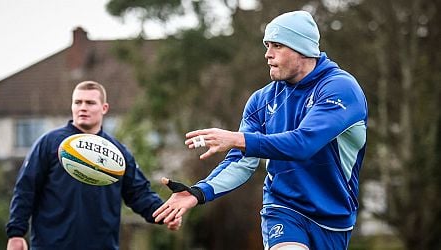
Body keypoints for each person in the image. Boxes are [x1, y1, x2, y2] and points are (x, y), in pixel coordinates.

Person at [153, 10, 368, 250]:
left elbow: (303, 143)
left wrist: (238, 139)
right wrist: (197, 192)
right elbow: (241, 163)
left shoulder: (339, 89)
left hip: (334, 219)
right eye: (267, 45)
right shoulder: (261, 101)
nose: (267, 54)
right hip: (283, 209)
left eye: (277, 45)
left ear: (304, 49)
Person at [6, 81, 181, 250]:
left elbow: (139, 194)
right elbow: (25, 189)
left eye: (90, 102)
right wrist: (16, 233)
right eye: (78, 102)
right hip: (51, 245)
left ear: (104, 108)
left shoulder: (118, 153)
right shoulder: (49, 143)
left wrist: (166, 214)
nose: (83, 107)